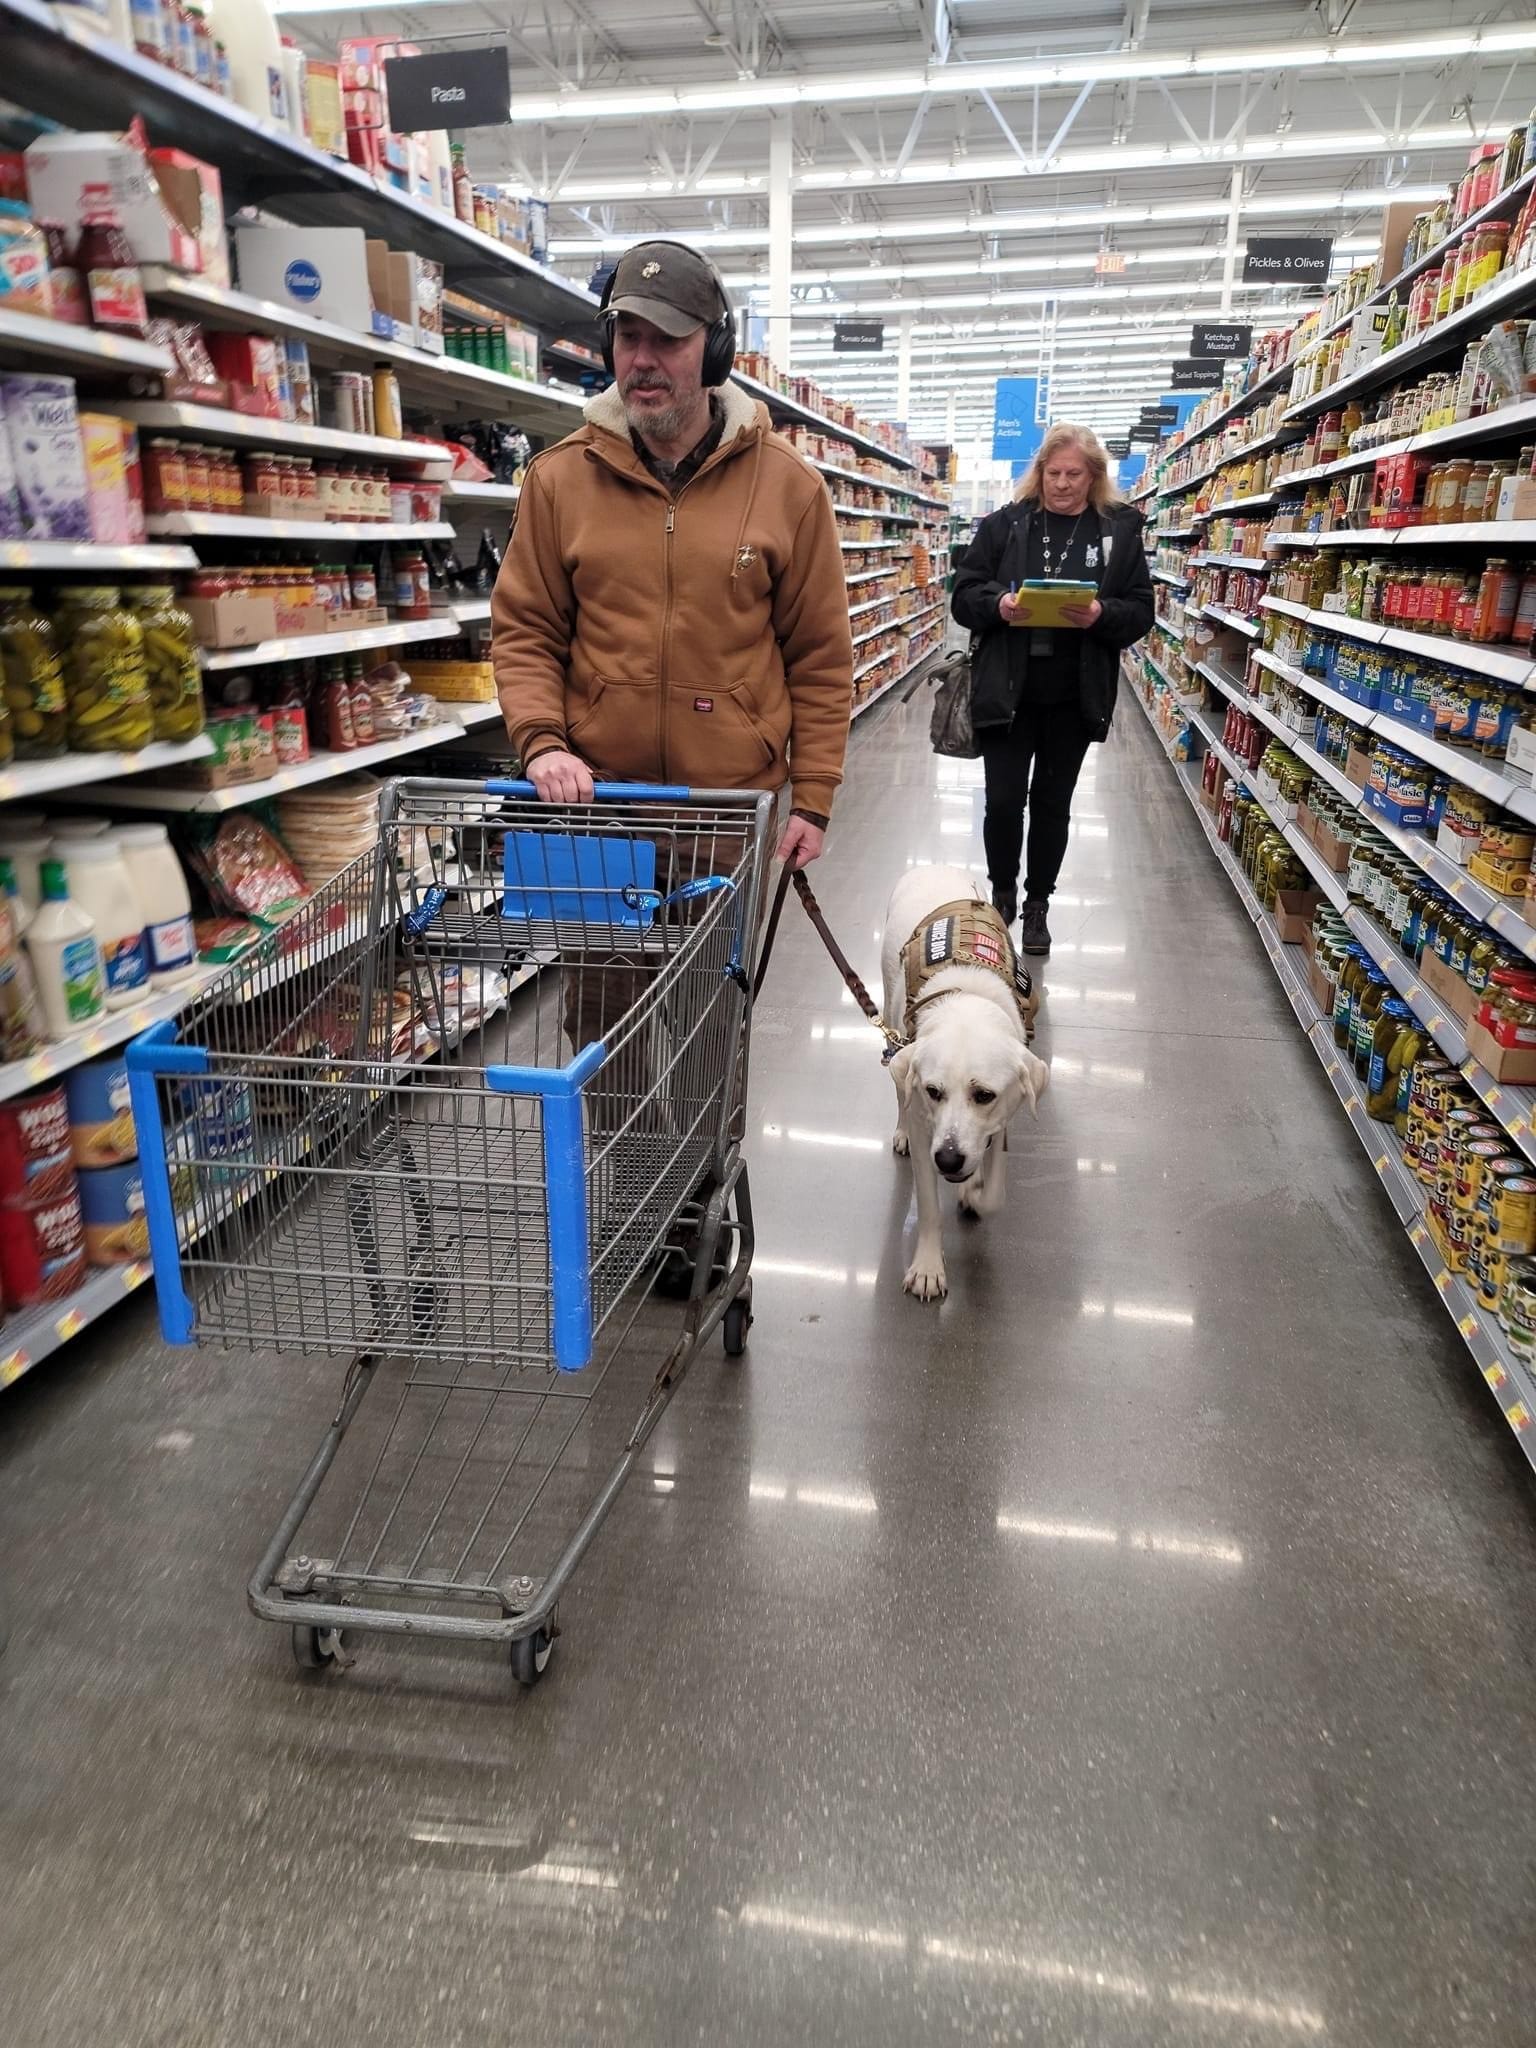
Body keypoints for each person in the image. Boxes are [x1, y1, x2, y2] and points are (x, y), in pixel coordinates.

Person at [491, 236, 854, 872]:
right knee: (598, 975)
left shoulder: (790, 486)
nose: (642, 360)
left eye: (667, 340)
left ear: (714, 352)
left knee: (714, 977)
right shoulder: (558, 479)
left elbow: (820, 657)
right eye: (628, 338)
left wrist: (815, 796)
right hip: (596, 809)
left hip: (729, 812)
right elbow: (526, 631)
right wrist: (542, 743)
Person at [951, 423, 1154, 956]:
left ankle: (1038, 902)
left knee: (1052, 805)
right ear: (1039, 473)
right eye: (1053, 472)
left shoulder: (1118, 534)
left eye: (1074, 474)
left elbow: (1140, 612)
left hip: (1074, 696)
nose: (1062, 484)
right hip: (1007, 691)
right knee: (1001, 803)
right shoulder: (1006, 526)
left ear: (1094, 478)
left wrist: (1099, 615)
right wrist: (998, 604)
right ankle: (1002, 893)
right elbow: (963, 594)